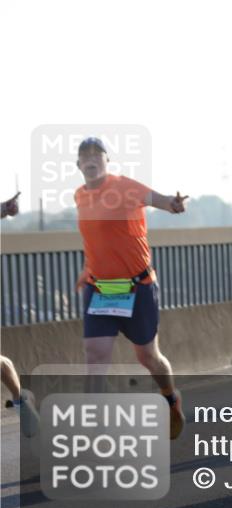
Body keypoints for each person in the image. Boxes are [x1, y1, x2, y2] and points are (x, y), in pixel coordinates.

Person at [73, 137, 187, 439]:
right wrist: (86, 270)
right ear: (78, 164)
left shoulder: (125, 186)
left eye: (97, 154)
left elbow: (162, 201)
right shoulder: (79, 196)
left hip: (138, 287)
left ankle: (171, 398)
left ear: (107, 161)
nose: (91, 159)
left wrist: (173, 204)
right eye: (85, 155)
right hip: (100, 290)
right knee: (94, 356)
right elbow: (96, 240)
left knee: (148, 357)